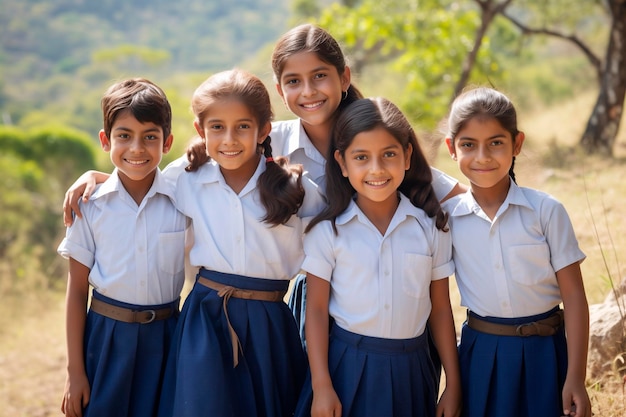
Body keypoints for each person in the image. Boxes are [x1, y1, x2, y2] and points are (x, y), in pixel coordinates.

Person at [60, 24, 464, 343]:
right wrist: (99, 178)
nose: (308, 92)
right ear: (279, 90)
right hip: (310, 302)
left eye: (319, 76)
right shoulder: (271, 141)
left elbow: (454, 195)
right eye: (293, 81)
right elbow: (178, 169)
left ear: (344, 77)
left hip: (386, 303)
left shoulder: (373, 136)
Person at [157, 69, 326, 417]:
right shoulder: (185, 178)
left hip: (270, 321)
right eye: (217, 127)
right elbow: (138, 182)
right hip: (206, 317)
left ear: (264, 129)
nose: (229, 139)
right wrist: (93, 177)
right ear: (201, 131)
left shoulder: (298, 190)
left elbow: (339, 245)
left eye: (243, 127)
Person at [295, 97, 462, 417]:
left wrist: (453, 384)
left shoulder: (430, 227)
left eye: (389, 154)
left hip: (412, 368)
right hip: (348, 366)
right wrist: (322, 385)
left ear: (407, 156)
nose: (377, 169)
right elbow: (315, 311)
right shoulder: (328, 232)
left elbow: (441, 310)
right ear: (342, 163)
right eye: (361, 157)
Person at [442, 87, 591, 417]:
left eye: (495, 142)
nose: (482, 156)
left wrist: (576, 378)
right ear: (452, 148)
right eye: (469, 144)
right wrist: (452, 384)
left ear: (517, 144)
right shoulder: (447, 218)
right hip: (482, 354)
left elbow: (576, 297)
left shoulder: (546, 211)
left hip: (546, 353)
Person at [57, 78, 187, 417]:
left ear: (167, 142)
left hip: (167, 336)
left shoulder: (183, 200)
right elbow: (76, 292)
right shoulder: (90, 206)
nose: (137, 148)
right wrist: (74, 373)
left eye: (150, 137)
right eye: (124, 136)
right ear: (106, 140)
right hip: (107, 337)